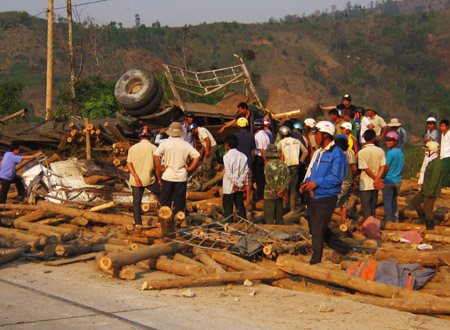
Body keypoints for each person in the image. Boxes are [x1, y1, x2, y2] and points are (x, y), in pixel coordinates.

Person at [300, 121, 351, 264]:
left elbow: (337, 177)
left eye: (316, 134)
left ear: (325, 135)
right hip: (314, 195)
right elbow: (312, 171)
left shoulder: (337, 154)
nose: (314, 136)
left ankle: (315, 261)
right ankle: (344, 248)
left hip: (327, 196)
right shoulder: (318, 152)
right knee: (316, 228)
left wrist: (316, 183)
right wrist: (306, 184)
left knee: (317, 229)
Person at [153, 122, 201, 217]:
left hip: (168, 175)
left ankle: (164, 221)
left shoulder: (165, 143)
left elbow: (155, 155)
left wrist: (160, 168)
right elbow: (197, 156)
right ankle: (178, 222)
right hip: (181, 176)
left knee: (165, 201)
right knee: (179, 202)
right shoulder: (186, 145)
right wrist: (190, 168)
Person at [127, 126, 161, 226]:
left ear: (139, 136)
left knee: (136, 202)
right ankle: (162, 219)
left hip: (135, 180)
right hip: (149, 179)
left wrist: (136, 177)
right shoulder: (154, 148)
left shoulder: (132, 148)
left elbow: (129, 164)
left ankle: (138, 223)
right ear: (150, 136)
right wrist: (159, 179)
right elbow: (157, 166)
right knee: (162, 197)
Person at [411, 141, 442, 230]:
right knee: (414, 202)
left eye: (427, 149)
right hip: (425, 189)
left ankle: (430, 228)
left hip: (430, 191)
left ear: (432, 150)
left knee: (428, 211)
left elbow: (435, 179)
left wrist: (431, 191)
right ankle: (422, 218)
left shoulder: (437, 163)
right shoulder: (431, 161)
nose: (426, 151)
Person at [277, 126, 307, 212]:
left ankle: (284, 206)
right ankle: (293, 208)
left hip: (285, 166)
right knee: (293, 187)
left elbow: (277, 153)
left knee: (285, 187)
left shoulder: (280, 143)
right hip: (295, 166)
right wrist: (300, 161)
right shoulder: (297, 141)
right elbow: (305, 151)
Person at [358, 129, 386, 221]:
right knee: (373, 207)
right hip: (375, 184)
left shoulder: (362, 152)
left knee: (366, 208)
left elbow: (365, 169)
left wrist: (375, 178)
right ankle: (373, 226)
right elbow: (383, 166)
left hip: (365, 184)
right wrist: (377, 178)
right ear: (374, 139)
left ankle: (368, 228)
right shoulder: (380, 151)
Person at [222, 134, 248, 220]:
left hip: (229, 186)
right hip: (239, 186)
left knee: (228, 209)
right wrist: (239, 183)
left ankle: (229, 225)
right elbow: (246, 170)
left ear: (227, 144)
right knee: (240, 206)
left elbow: (228, 172)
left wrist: (236, 183)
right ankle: (243, 224)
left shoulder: (226, 157)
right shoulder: (243, 156)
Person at [263, 144, 290, 224]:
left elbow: (269, 181)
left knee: (269, 219)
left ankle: (271, 235)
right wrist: (281, 190)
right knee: (279, 217)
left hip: (269, 195)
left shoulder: (268, 166)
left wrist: (277, 190)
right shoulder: (283, 165)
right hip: (280, 196)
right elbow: (288, 178)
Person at [334, 135, 358, 223]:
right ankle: (343, 220)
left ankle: (326, 220)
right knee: (344, 201)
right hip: (347, 180)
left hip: (340, 181)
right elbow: (354, 169)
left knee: (334, 201)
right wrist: (353, 178)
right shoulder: (349, 153)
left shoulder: (334, 153)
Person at [382, 131, 404, 223]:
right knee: (394, 201)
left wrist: (381, 177)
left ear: (395, 141)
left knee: (387, 201)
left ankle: (389, 220)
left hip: (389, 180)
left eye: (390, 140)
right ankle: (395, 219)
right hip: (397, 180)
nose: (387, 142)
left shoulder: (390, 153)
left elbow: (386, 167)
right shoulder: (400, 153)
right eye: (386, 140)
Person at [234, 117, 255, 206]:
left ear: (238, 125)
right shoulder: (251, 135)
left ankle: (237, 200)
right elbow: (252, 151)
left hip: (238, 162)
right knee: (248, 182)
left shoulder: (235, 135)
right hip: (248, 162)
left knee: (237, 181)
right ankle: (247, 200)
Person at [253, 118, 270, 201]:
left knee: (259, 177)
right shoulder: (265, 134)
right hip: (265, 156)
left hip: (260, 157)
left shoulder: (258, 136)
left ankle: (261, 194)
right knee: (263, 176)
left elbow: (261, 149)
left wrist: (265, 160)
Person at [439, 119, 450, 188]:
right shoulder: (442, 134)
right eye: (440, 126)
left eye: (443, 126)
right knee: (442, 171)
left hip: (447, 155)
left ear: (447, 126)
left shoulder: (449, 134)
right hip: (442, 155)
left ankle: (444, 186)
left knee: (445, 172)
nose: (441, 128)